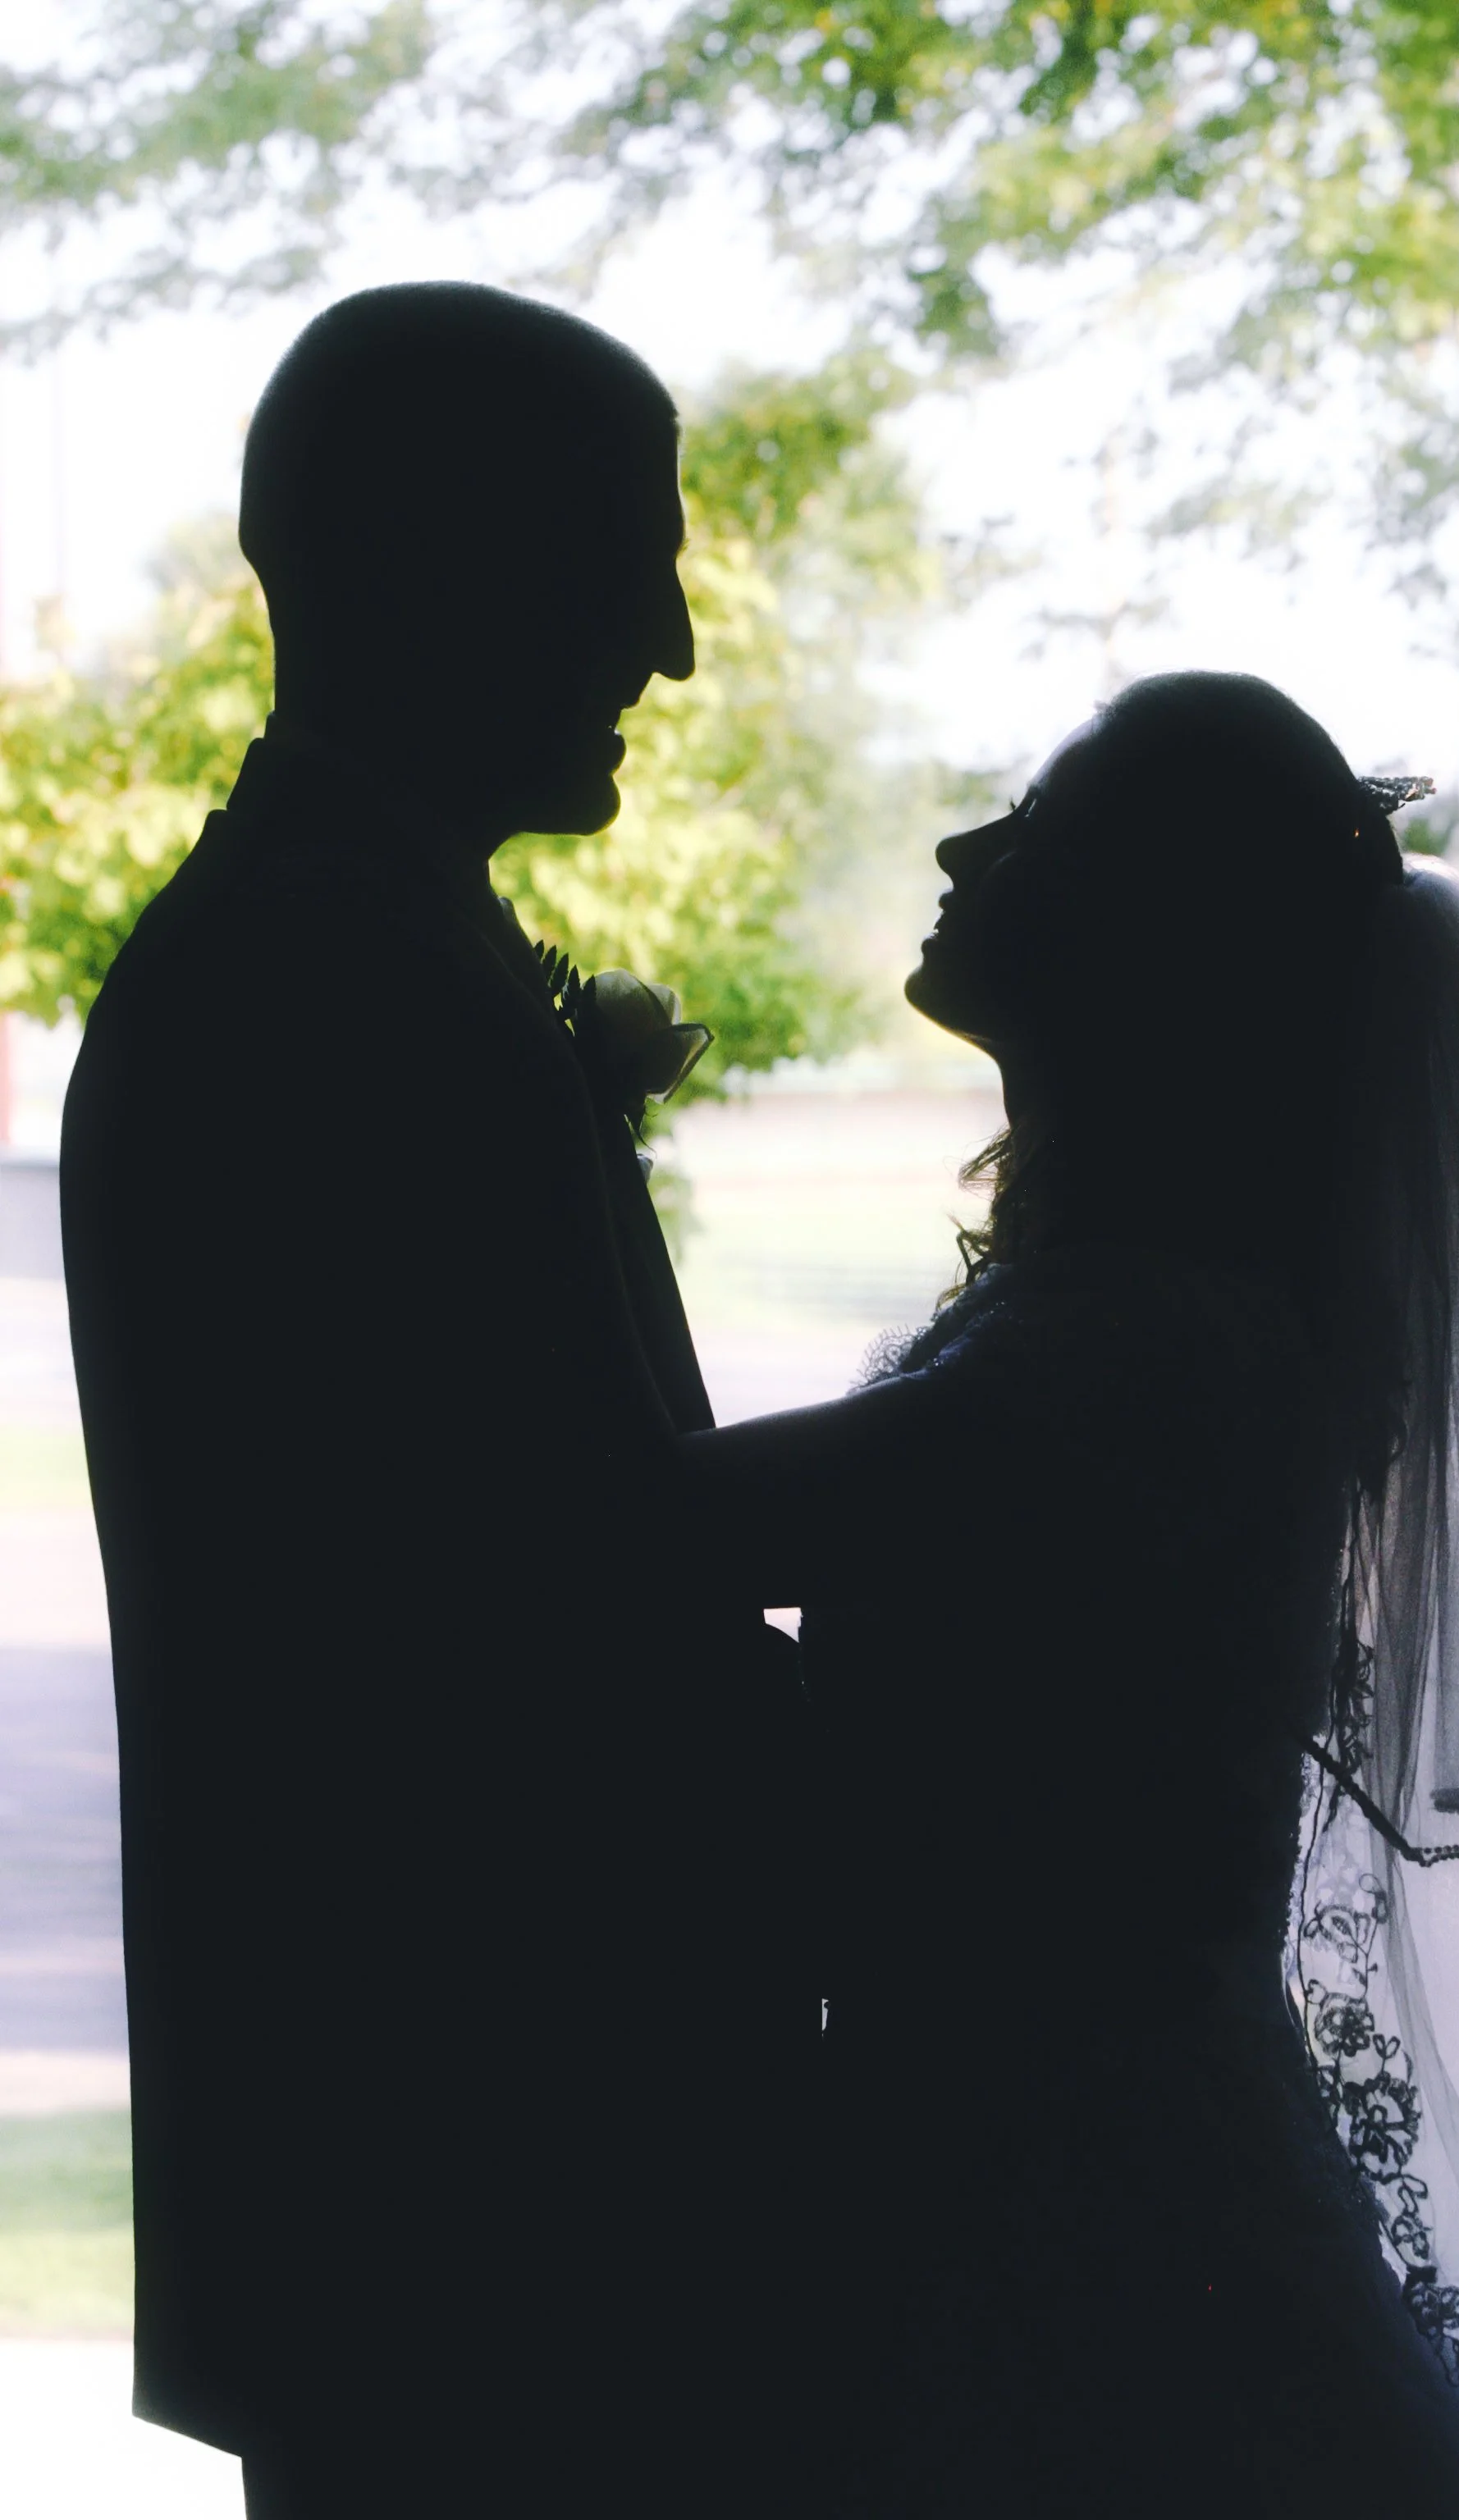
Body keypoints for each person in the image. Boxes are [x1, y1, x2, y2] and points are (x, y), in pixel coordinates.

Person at [656, 671, 1459, 2513]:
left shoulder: (1153, 1350)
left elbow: (665, 1533)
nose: (969, 851)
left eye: (1041, 829)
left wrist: (571, 1147)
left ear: (1157, 946)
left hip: (1078, 2200)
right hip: (1051, 2155)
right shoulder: (1130, 1313)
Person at [60, 283, 814, 2518]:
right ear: (426, 560)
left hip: (440, 2167)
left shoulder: (360, 933)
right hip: (483, 2158)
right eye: (626, 562)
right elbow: (539, 1582)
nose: (668, 652)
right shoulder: (332, 979)